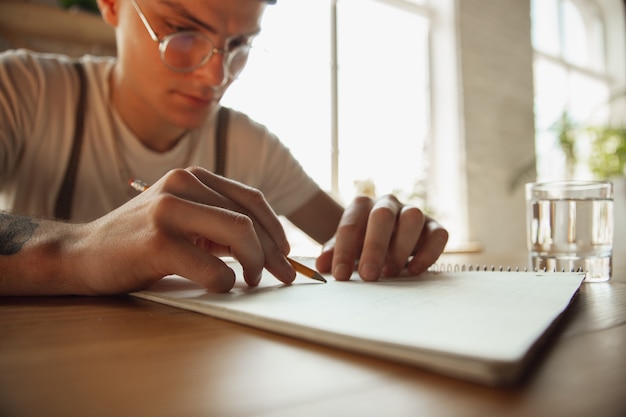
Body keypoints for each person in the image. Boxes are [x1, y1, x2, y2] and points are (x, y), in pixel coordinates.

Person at [0, 0, 448, 296]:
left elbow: (347, 242)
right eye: (181, 31)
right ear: (112, 5)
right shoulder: (24, 90)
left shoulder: (251, 144)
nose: (216, 77)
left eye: (238, 46)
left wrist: (387, 235)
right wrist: (81, 249)